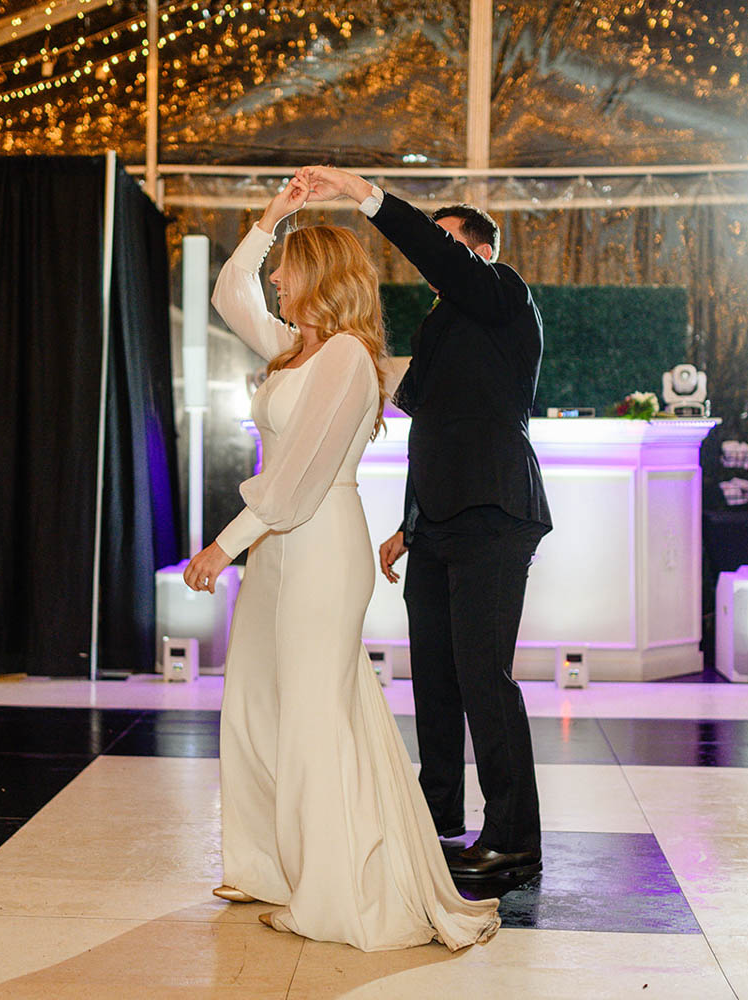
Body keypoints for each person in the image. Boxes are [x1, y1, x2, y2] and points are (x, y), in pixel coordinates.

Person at [181, 176, 501, 952]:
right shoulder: (296, 350)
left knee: (316, 717)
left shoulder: (350, 361)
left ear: (318, 277)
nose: (275, 279)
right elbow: (230, 293)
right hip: (282, 546)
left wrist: (224, 545)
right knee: (258, 703)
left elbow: (298, 481)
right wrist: (271, 220)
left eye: (286, 267)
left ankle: (331, 891)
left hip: (319, 543)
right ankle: (267, 864)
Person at [298, 166, 551, 882]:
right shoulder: (443, 325)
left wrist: (368, 195)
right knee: (435, 679)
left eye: (449, 246)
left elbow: (441, 258)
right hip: (438, 522)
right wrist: (409, 524)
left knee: (483, 678)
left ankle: (514, 840)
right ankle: (436, 813)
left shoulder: (505, 296)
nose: (434, 256)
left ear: (480, 253)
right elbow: (434, 428)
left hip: (497, 515)